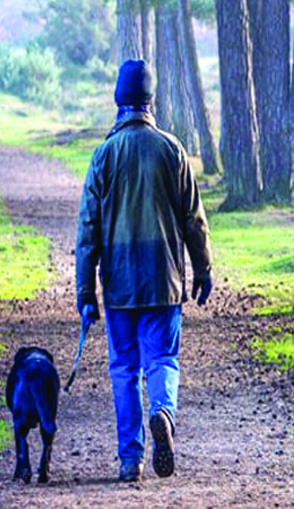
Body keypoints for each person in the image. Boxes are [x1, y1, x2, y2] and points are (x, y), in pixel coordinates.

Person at [75, 58, 213, 483]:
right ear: (151, 101)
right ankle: (164, 414)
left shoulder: (104, 155)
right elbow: (194, 218)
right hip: (164, 279)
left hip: (119, 285)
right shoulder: (172, 150)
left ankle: (130, 459)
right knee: (163, 358)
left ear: (119, 101)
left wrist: (85, 292)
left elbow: (88, 230)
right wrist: (203, 268)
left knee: (124, 369)